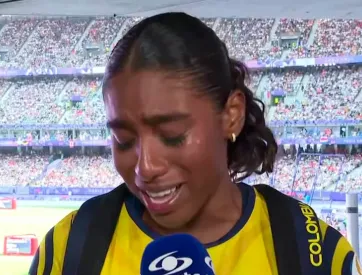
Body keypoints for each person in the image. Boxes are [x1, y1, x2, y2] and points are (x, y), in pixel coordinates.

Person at [29, 12, 361, 275]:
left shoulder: (315, 253)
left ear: (231, 115)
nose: (146, 167)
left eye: (172, 135)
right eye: (124, 139)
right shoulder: (70, 247)